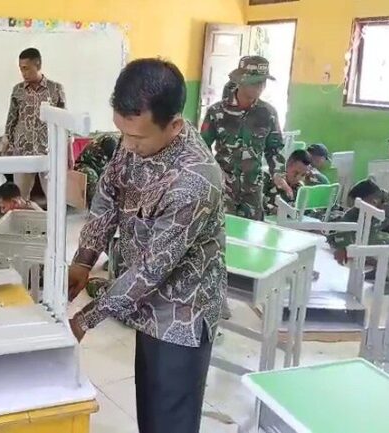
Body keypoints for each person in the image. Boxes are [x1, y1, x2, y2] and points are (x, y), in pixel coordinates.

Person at [68, 58, 226, 433]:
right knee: (150, 409)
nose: (126, 145)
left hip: (182, 312)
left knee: (171, 418)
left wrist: (86, 318)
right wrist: (84, 260)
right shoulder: (137, 137)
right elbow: (108, 195)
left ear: (174, 125)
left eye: (136, 138)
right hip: (145, 302)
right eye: (121, 133)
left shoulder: (195, 179)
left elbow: (152, 268)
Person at [201, 56, 289, 221]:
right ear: (240, 81)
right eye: (255, 82)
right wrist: (214, 174)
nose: (260, 86)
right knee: (223, 231)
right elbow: (202, 148)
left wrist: (278, 174)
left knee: (251, 233)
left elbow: (274, 149)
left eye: (263, 82)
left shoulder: (268, 113)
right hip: (223, 188)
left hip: (253, 190)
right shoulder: (217, 112)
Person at [3, 48, 66, 200]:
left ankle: (51, 217)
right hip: (22, 151)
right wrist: (7, 143)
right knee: (19, 197)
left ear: (37, 65)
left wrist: (68, 151)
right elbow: (11, 119)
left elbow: (64, 121)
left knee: (54, 196)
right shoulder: (18, 90)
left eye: (26, 68)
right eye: (20, 69)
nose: (23, 73)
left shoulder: (55, 89)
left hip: (48, 150)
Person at [263, 149, 313, 216]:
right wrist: (272, 209)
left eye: (303, 175)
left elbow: (306, 211)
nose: (298, 178)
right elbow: (257, 200)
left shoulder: (300, 188)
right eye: (295, 173)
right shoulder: (268, 179)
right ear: (288, 165)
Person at [73, 133, 120, 203]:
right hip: (85, 165)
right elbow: (99, 167)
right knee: (92, 176)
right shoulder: (95, 148)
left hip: (102, 169)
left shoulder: (121, 146)